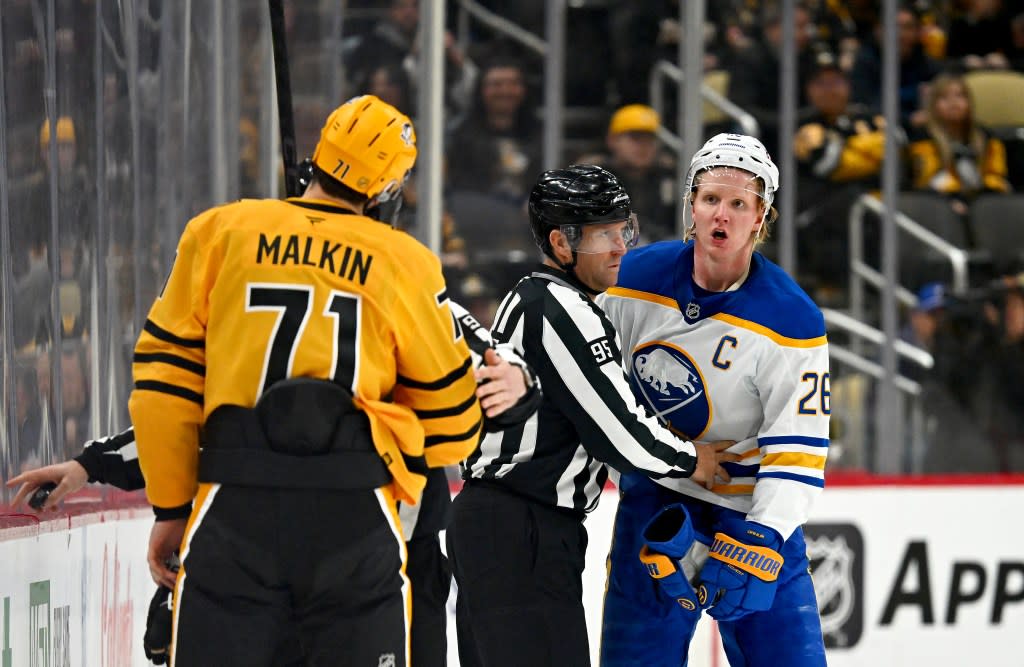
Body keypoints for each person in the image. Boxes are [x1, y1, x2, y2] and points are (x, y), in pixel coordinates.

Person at [123, 94, 481, 665]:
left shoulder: (220, 231)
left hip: (233, 508)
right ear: (389, 189)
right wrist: (391, 424)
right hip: (354, 518)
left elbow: (162, 388)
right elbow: (455, 427)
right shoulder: (403, 261)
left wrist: (172, 507)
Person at [7, 301, 539, 667]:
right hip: (295, 550)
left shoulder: (410, 292)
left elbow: (499, 366)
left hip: (385, 558)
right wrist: (91, 463)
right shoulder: (284, 300)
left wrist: (516, 381)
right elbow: (196, 417)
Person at [446, 164, 737, 667]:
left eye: (625, 229)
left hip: (505, 528)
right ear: (562, 243)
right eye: (605, 235)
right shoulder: (559, 307)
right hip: (522, 529)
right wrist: (694, 461)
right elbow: (618, 432)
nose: (622, 246)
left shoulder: (537, 297)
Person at [597, 133, 830, 667]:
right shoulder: (632, 280)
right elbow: (590, 381)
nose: (720, 215)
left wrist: (766, 534)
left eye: (738, 203)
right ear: (691, 205)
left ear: (760, 216)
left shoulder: (790, 319)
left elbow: (800, 449)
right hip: (657, 505)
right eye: (709, 199)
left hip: (748, 511)